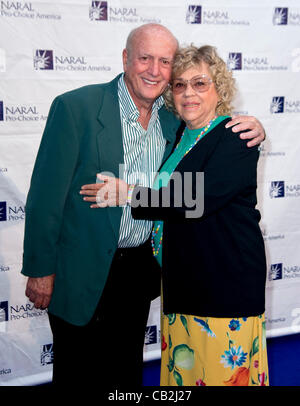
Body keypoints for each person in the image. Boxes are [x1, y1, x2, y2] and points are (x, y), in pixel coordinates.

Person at [22, 23, 265, 388]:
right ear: (126, 58)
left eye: (165, 61)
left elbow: (198, 193)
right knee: (77, 372)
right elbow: (45, 196)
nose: (155, 70)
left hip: (143, 273)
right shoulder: (77, 108)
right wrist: (40, 269)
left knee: (125, 373)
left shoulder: (178, 122)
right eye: (145, 58)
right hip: (83, 269)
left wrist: (255, 124)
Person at [83, 45, 268, 386]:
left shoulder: (235, 135)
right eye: (180, 85)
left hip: (223, 283)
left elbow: (197, 199)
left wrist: (128, 194)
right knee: (187, 375)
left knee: (221, 374)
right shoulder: (180, 134)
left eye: (200, 83)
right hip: (182, 281)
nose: (188, 93)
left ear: (219, 88)